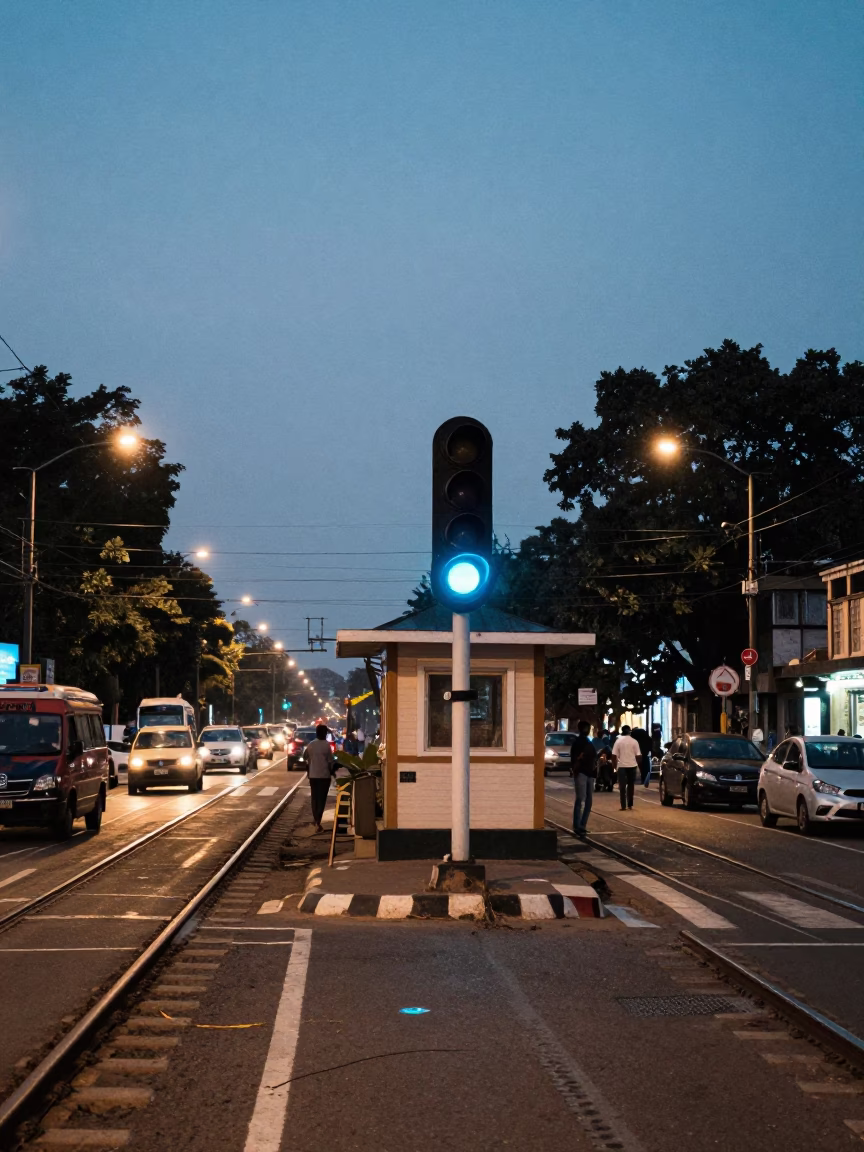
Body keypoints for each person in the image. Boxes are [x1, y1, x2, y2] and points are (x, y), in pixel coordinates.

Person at [305, 723, 335, 832]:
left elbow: (305, 758)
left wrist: (309, 770)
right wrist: (333, 772)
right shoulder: (327, 745)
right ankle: (318, 820)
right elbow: (330, 761)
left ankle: (315, 819)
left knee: (314, 798)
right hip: (324, 776)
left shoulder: (311, 745)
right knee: (322, 799)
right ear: (325, 733)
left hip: (313, 776)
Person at [570, 720, 597, 837]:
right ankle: (578, 825)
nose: (588, 730)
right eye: (587, 728)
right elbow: (574, 758)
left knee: (586, 800)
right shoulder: (580, 742)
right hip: (582, 772)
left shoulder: (586, 741)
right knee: (582, 799)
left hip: (588, 773)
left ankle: (581, 825)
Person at [611, 724, 642, 811]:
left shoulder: (618, 741)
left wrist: (614, 767)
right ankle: (630, 804)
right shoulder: (634, 741)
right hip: (632, 766)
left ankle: (623, 805)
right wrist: (637, 764)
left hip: (621, 767)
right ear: (630, 732)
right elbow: (639, 756)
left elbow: (614, 755)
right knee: (631, 785)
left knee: (622, 786)